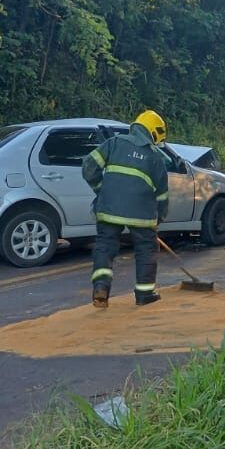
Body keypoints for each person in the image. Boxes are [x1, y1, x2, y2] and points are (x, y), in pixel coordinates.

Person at [82, 110, 169, 308]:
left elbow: (88, 167)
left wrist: (101, 189)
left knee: (105, 246)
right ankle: (144, 294)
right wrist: (158, 220)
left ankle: (101, 287)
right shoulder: (156, 158)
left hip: (109, 209)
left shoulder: (114, 143)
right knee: (146, 249)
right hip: (142, 215)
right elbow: (162, 196)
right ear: (154, 133)